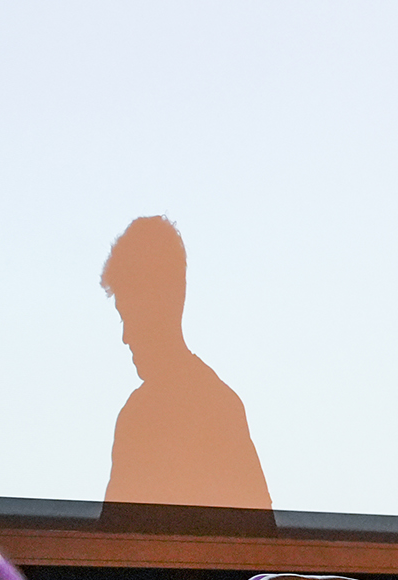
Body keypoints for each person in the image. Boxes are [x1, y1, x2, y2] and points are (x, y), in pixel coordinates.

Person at [100, 216, 271, 510]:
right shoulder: (223, 407)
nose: (125, 337)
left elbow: (116, 537)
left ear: (164, 303)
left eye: (129, 316)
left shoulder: (139, 420)